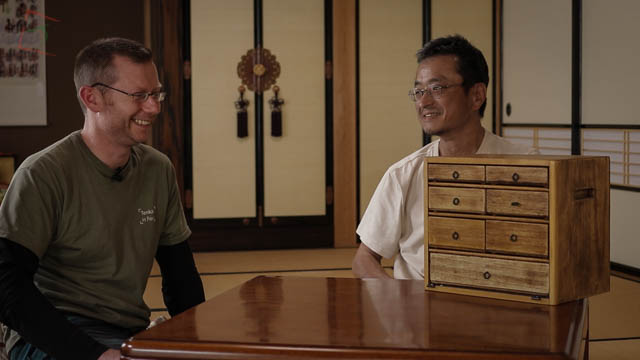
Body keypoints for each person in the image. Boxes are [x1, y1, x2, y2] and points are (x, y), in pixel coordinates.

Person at [0, 37, 205, 360]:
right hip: (54, 335)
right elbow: (7, 288)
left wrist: (200, 345)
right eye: (139, 95)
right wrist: (92, 354)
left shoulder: (157, 169)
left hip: (125, 329)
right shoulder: (43, 174)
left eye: (155, 94)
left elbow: (181, 277)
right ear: (92, 98)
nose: (153, 107)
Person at [352, 35, 536, 280]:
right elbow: (364, 258)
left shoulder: (527, 165)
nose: (424, 102)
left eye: (437, 88)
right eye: (418, 91)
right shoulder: (403, 174)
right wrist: (396, 302)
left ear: (477, 95)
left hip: (497, 306)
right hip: (418, 308)